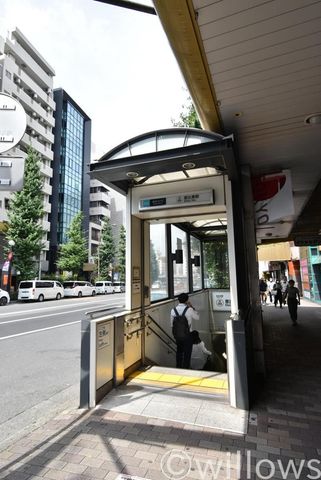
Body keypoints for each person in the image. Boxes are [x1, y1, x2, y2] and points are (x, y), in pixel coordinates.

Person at [170, 293, 199, 369]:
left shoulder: (173, 310)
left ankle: (178, 367)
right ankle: (186, 368)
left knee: (179, 352)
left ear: (178, 300)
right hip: (188, 335)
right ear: (187, 300)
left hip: (177, 335)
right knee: (187, 353)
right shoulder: (189, 309)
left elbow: (171, 325)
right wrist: (192, 307)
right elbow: (197, 317)